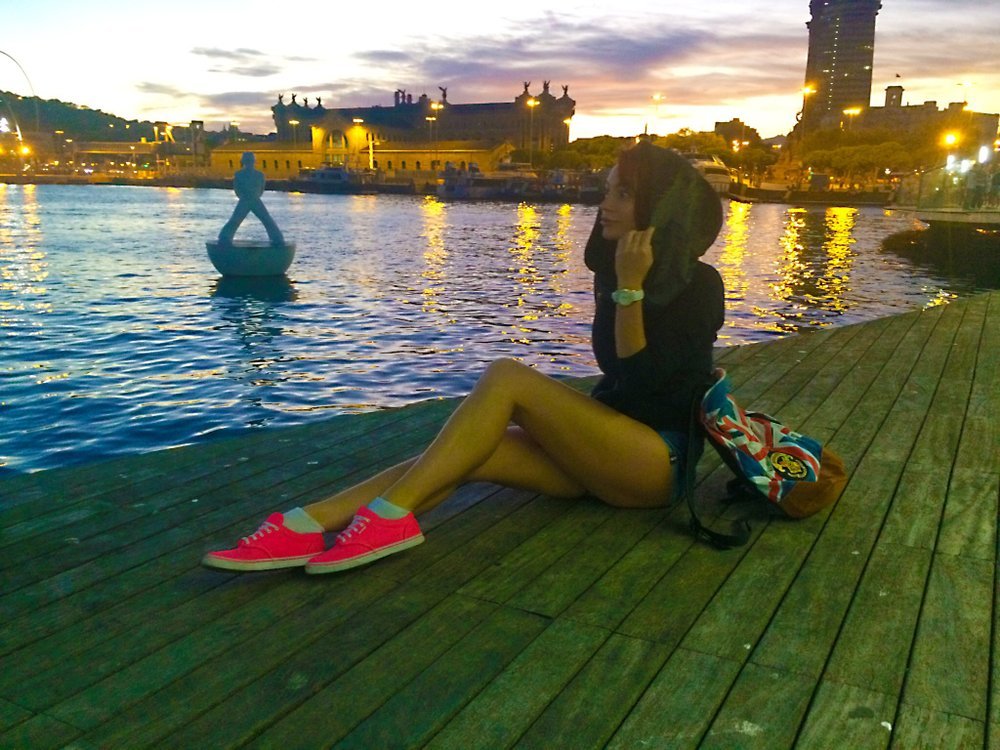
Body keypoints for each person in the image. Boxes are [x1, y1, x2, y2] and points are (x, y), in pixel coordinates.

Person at [202, 141, 725, 575]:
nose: (605, 203)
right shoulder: (613, 273)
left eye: (624, 193)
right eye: (608, 189)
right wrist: (623, 284)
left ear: (660, 206)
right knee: (470, 453)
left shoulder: (699, 285)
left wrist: (631, 291)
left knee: (506, 376)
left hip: (659, 464)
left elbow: (646, 383)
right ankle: (307, 524)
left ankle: (389, 518)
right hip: (605, 454)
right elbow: (617, 376)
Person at [218, 151, 285, 246]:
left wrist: (248, 197)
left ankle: (224, 237)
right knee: (238, 219)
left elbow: (239, 189)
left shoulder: (250, 174)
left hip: (251, 200)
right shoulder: (249, 175)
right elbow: (240, 189)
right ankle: (277, 238)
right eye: (248, 160)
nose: (249, 162)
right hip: (248, 200)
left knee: (265, 219)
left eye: (250, 160)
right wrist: (248, 197)